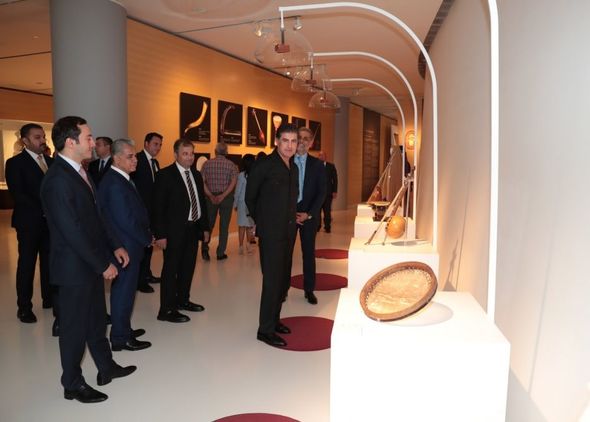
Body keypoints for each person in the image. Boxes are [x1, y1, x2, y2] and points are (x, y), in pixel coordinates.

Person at [40, 116, 136, 403]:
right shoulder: (57, 180)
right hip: (73, 269)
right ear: (71, 142)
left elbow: (97, 217)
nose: (94, 143)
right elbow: (72, 231)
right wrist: (101, 264)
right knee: (74, 329)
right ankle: (71, 383)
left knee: (96, 321)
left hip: (90, 263)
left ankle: (106, 367)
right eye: (89, 137)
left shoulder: (81, 171)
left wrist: (115, 246)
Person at [245, 123, 299, 348]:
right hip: (271, 234)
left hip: (289, 232)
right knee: (271, 281)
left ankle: (274, 320)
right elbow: (250, 197)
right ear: (277, 141)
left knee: (283, 281)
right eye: (285, 140)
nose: (289, 146)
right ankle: (265, 330)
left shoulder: (293, 167)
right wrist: (262, 222)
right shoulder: (264, 165)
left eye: (293, 141)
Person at [98, 138, 152, 352]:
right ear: (116, 158)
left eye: (135, 156)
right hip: (125, 247)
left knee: (125, 291)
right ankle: (120, 338)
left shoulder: (120, 178)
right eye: (130, 157)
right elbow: (126, 220)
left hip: (128, 244)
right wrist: (147, 238)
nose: (135, 160)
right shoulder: (114, 183)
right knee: (123, 292)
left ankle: (124, 329)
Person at [152, 138, 210, 323]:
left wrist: (205, 227)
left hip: (193, 229)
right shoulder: (165, 175)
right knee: (171, 270)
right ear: (175, 154)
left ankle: (183, 300)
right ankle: (166, 309)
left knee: (188, 267)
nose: (189, 157)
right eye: (185, 154)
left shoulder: (197, 175)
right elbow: (158, 208)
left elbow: (201, 203)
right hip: (173, 232)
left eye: (191, 153)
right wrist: (160, 234)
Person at [5, 123, 53, 323]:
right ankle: (24, 307)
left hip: (50, 224)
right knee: (27, 264)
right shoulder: (15, 163)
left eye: (43, 137)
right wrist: (45, 209)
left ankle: (49, 299)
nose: (42, 140)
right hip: (29, 223)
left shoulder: (51, 162)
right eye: (37, 137)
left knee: (49, 263)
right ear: (25, 141)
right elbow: (19, 194)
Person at [294, 127, 327, 305]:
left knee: (308, 254)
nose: (302, 141)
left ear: (311, 143)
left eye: (306, 138)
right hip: (289, 216)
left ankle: (309, 290)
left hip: (309, 217)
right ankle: (282, 290)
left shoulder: (317, 165)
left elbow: (322, 193)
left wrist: (309, 214)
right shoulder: (286, 161)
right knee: (285, 255)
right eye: (299, 137)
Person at [131, 132, 163, 294]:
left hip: (152, 211)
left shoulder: (155, 162)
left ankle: (147, 274)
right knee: (143, 246)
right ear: (146, 143)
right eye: (155, 144)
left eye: (160, 145)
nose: (158, 147)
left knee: (150, 244)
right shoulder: (137, 160)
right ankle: (140, 280)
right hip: (141, 211)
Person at [200, 142, 238, 261]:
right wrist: (223, 195)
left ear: (215, 151)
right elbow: (233, 183)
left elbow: (202, 182)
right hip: (226, 198)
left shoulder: (207, 164)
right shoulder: (231, 165)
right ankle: (220, 253)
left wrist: (211, 195)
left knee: (209, 224)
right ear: (226, 152)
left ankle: (205, 248)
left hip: (210, 198)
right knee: (224, 226)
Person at [233, 154, 256, 254]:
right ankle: (248, 245)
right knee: (249, 225)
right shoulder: (255, 174)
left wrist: (235, 204)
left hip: (242, 203)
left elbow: (238, 191)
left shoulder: (241, 175)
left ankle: (241, 247)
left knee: (242, 225)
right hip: (252, 203)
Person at [317, 151, 338, 233]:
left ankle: (327, 227)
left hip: (328, 193)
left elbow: (335, 179)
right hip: (317, 193)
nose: (320, 156)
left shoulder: (331, 166)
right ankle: (317, 226)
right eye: (319, 155)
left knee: (327, 211)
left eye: (322, 155)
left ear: (325, 157)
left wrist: (335, 191)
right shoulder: (315, 166)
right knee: (317, 211)